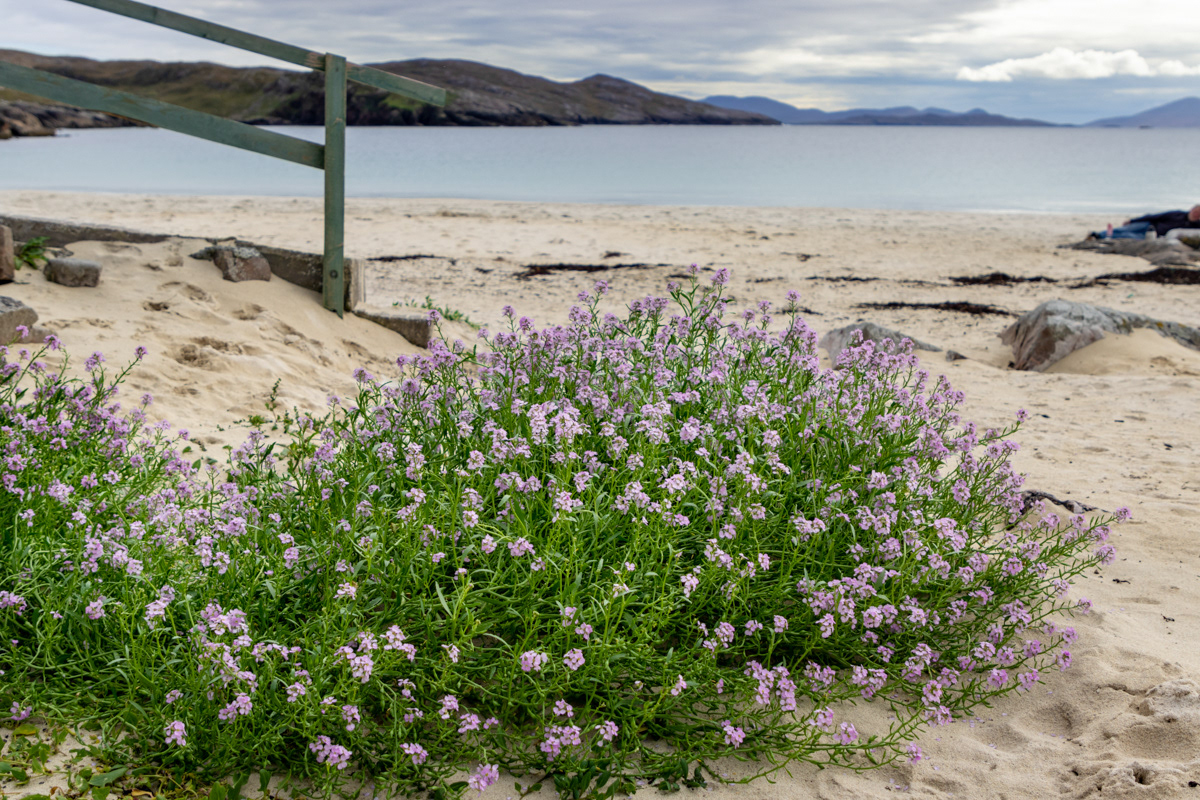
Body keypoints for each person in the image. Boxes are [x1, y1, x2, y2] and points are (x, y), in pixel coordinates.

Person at [1094, 205, 1200, 239]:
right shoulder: (1177, 214)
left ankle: (1106, 236)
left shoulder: (1195, 226)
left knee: (1128, 235)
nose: (1196, 214)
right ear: (1191, 209)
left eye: (1198, 214)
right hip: (1149, 225)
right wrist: (1132, 220)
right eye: (1195, 211)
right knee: (1124, 229)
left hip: (1153, 236)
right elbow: (1154, 216)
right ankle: (1100, 234)